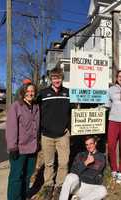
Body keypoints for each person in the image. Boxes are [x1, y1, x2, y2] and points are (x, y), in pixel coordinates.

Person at [39, 67, 71, 200]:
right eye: (54, 78)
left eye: (59, 77)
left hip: (63, 135)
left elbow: (75, 111)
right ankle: (48, 186)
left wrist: (68, 127)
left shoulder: (68, 93)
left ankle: (59, 186)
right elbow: (35, 111)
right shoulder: (43, 93)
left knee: (64, 163)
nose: (56, 80)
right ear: (51, 79)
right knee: (49, 163)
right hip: (47, 135)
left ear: (62, 78)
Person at [5, 83, 40, 200]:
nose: (30, 93)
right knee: (16, 177)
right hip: (19, 149)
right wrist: (12, 147)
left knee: (27, 175)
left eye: (32, 91)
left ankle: (23, 197)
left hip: (32, 148)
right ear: (23, 92)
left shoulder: (36, 107)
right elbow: (11, 128)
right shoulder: (16, 106)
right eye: (28, 91)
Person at [59, 136, 107, 200]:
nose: (89, 146)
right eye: (87, 145)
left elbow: (96, 172)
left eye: (91, 144)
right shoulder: (80, 155)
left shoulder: (101, 157)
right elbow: (73, 171)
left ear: (95, 143)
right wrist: (85, 163)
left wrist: (82, 170)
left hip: (90, 187)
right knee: (70, 177)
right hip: (78, 185)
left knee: (103, 190)